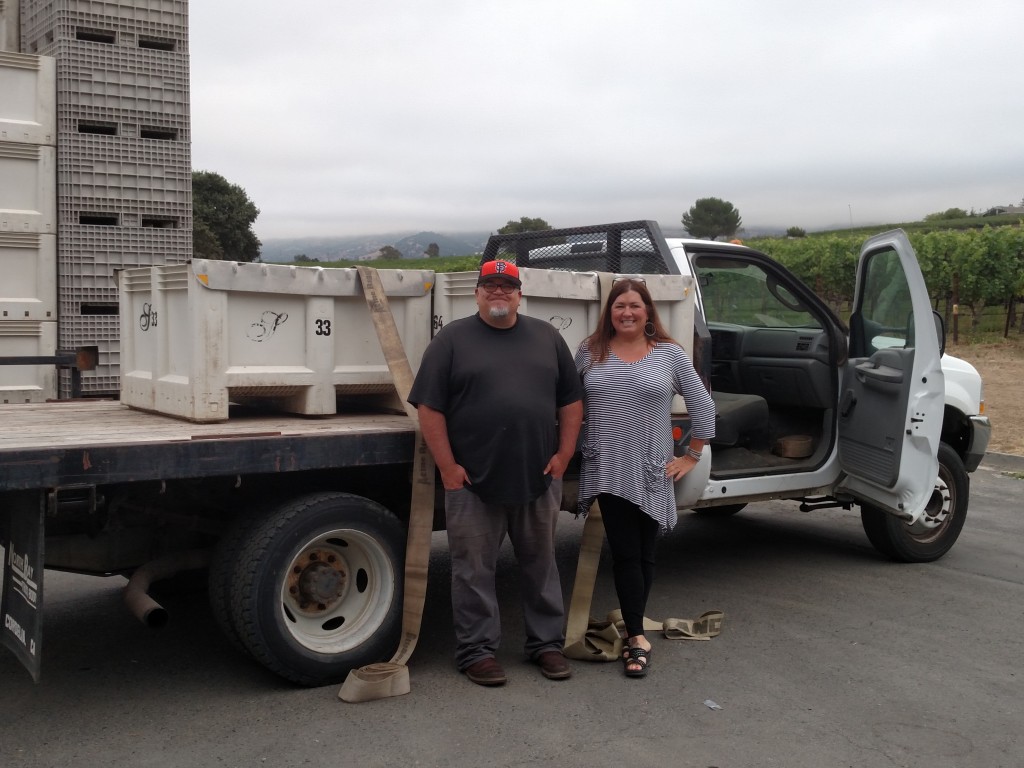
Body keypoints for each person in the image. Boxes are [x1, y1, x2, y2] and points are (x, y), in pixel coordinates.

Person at [409, 259, 584, 686]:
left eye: (507, 285)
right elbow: (429, 407)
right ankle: (477, 651)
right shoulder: (451, 340)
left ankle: (546, 644)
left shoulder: (547, 337)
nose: (499, 292)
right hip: (472, 483)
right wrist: (448, 468)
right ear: (477, 293)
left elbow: (571, 400)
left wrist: (564, 455)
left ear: (520, 294)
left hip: (538, 478)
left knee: (541, 565)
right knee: (473, 571)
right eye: (490, 285)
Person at [574, 277, 716, 678]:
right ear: (610, 312)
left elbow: (703, 406)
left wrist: (691, 456)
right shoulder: (589, 351)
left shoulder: (669, 354)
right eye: (619, 306)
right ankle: (636, 636)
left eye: (635, 305)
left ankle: (635, 626)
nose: (627, 313)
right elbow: (566, 402)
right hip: (607, 467)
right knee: (625, 553)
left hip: (651, 469)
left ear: (648, 311)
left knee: (644, 553)